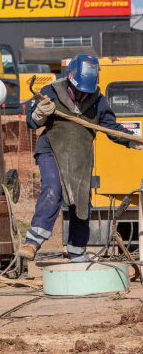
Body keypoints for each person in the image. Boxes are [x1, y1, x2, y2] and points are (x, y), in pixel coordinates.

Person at [18, 54, 143, 262]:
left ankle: (77, 252)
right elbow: (32, 122)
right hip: (51, 151)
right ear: (70, 79)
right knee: (53, 188)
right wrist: (39, 114)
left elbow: (112, 129)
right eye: (77, 90)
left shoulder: (99, 101)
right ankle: (33, 241)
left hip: (79, 157)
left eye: (85, 91)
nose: (80, 95)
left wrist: (132, 140)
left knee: (81, 201)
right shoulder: (52, 91)